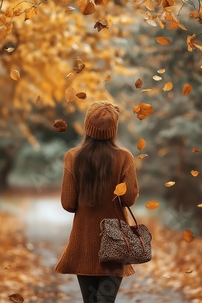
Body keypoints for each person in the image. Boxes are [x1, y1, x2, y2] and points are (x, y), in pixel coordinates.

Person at [55, 101, 139, 303]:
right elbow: (129, 199)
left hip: (83, 243)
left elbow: (68, 203)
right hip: (116, 242)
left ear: (87, 127)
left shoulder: (72, 157)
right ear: (113, 130)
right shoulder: (125, 157)